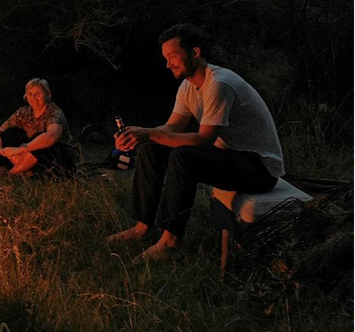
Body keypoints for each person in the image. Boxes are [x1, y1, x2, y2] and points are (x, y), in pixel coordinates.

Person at [107, 24, 285, 261]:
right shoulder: (188, 87)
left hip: (260, 168)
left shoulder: (219, 84)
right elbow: (171, 128)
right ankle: (142, 227)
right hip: (233, 157)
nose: (168, 64)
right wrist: (140, 134)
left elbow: (204, 139)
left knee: (184, 157)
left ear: (195, 53)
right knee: (151, 149)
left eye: (173, 56)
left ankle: (169, 241)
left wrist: (148, 134)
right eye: (166, 58)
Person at [0, 77, 76, 176]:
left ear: (47, 94)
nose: (33, 98)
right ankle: (27, 172)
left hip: (56, 158)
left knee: (41, 140)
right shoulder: (23, 112)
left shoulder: (55, 112)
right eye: (30, 94)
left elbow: (52, 137)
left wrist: (21, 149)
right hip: (31, 158)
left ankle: (11, 174)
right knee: (8, 134)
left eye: (38, 94)